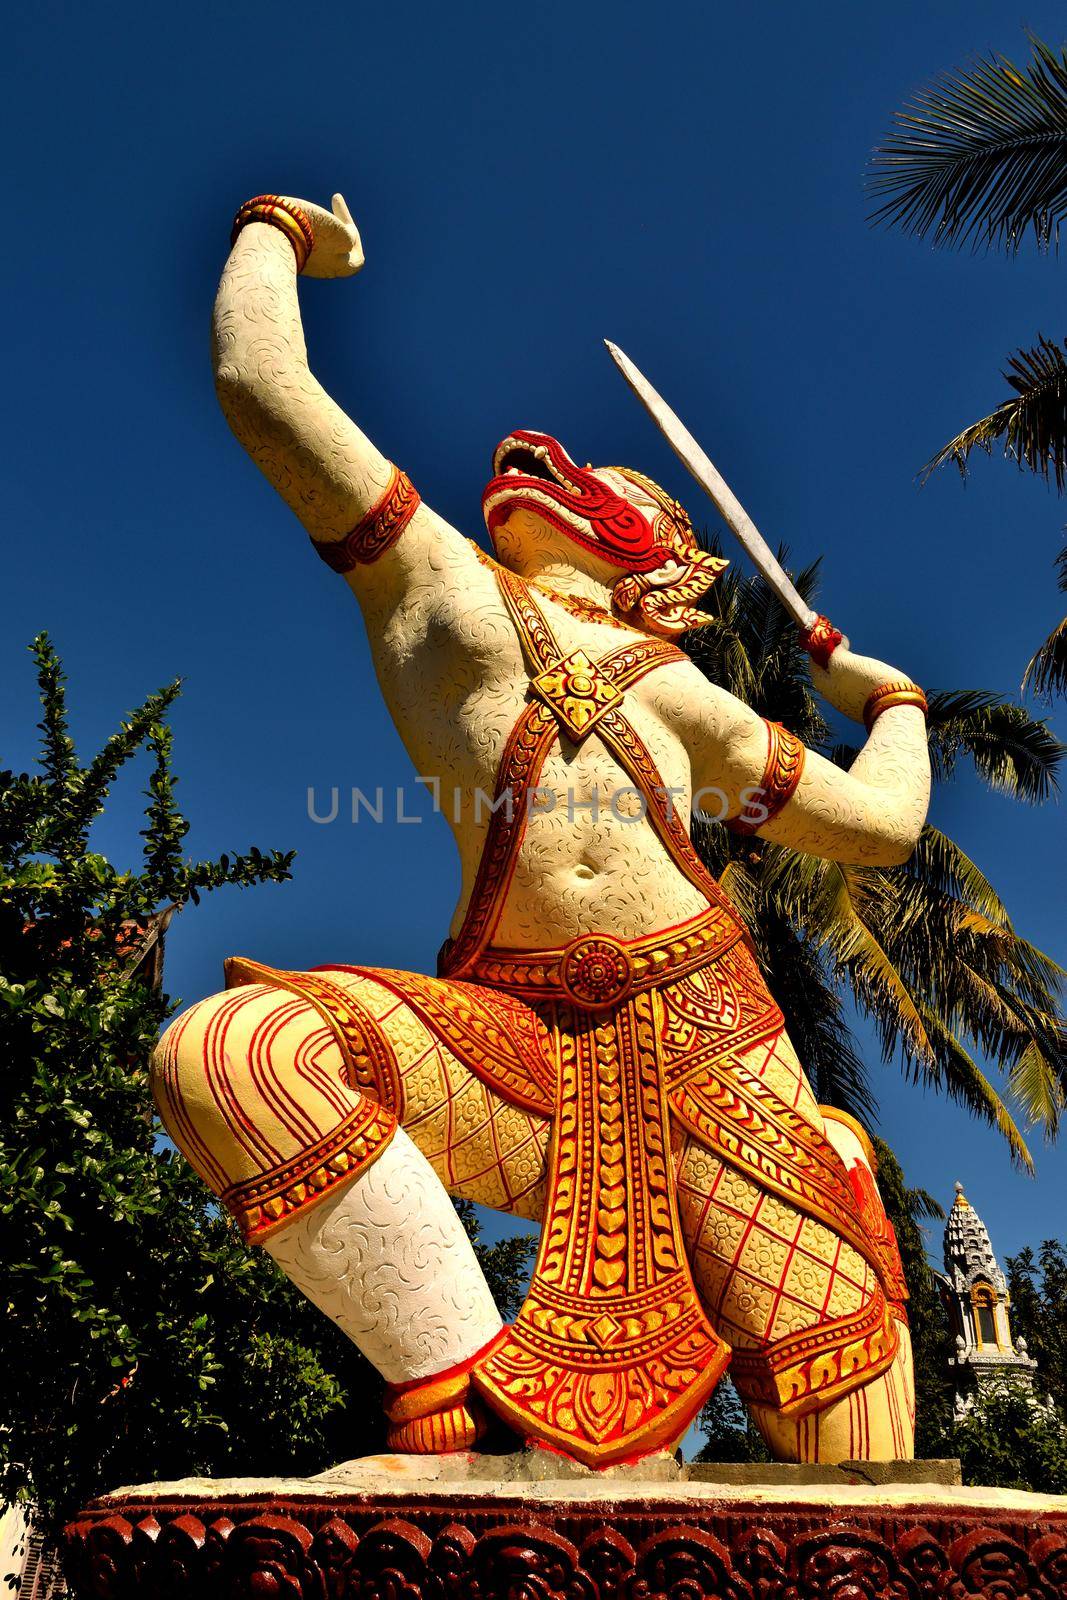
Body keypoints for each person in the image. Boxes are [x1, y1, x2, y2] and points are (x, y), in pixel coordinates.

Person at [153, 193, 930, 1467]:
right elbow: (261, 381)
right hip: (520, 1050)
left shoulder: (692, 697)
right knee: (236, 1054)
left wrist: (890, 699)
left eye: (599, 481)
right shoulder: (440, 590)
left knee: (854, 1461)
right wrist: (282, 230)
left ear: (667, 558)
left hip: (714, 1054)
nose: (532, 452)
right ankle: (458, 1408)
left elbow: (886, 826)